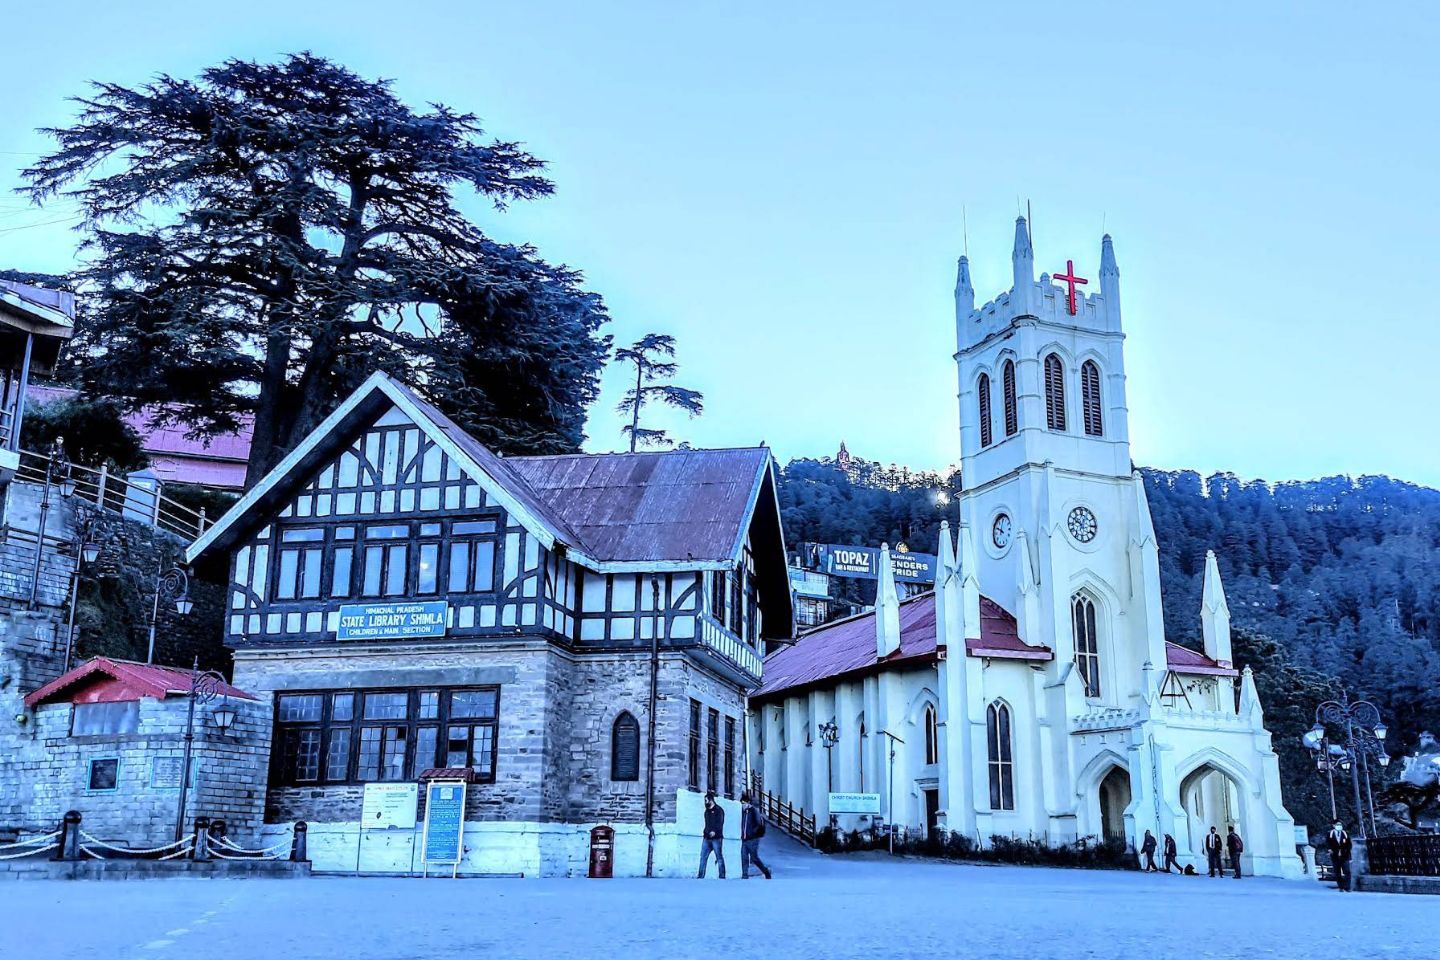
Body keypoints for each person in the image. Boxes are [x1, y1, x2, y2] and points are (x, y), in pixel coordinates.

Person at [739, 791, 772, 880]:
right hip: (745, 839)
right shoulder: (743, 812)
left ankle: (766, 871)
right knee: (744, 857)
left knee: (754, 858)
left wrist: (752, 833)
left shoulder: (753, 811)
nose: (742, 805)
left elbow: (758, 824)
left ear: (748, 803)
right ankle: (744, 875)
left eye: (744, 803)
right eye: (741, 803)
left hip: (753, 839)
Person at [697, 791, 726, 879]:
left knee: (719, 857)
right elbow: (707, 824)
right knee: (703, 857)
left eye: (706, 800)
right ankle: (700, 876)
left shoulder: (719, 810)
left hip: (716, 838)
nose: (705, 802)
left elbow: (720, 823)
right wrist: (705, 832)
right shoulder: (707, 811)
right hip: (706, 838)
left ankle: (722, 876)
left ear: (711, 800)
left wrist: (715, 831)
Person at [1326, 820, 1353, 892]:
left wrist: (1346, 851)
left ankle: (1347, 887)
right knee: (1337, 872)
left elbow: (1349, 844)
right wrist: (1330, 849)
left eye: (1340, 824)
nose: (1339, 826)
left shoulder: (1345, 833)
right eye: (1337, 824)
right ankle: (1341, 886)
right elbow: (1328, 843)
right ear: (1333, 825)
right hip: (1335, 855)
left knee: (1347, 871)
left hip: (1345, 855)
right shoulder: (1330, 834)